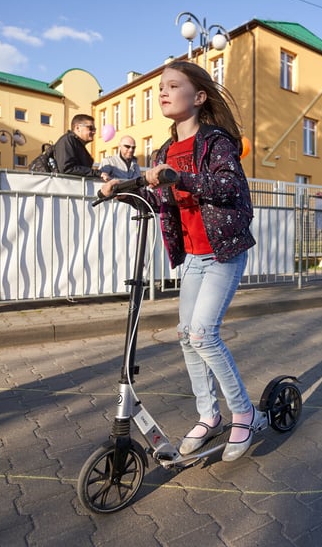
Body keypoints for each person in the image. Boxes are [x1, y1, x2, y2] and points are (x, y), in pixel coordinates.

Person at [100, 61, 259, 462]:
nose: (163, 93)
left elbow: (228, 185)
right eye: (160, 88)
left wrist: (177, 178)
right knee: (185, 334)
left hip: (223, 251)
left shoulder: (216, 143)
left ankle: (245, 412)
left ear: (199, 97)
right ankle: (209, 416)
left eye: (173, 86)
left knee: (204, 333)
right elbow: (162, 198)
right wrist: (120, 190)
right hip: (192, 257)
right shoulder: (164, 151)